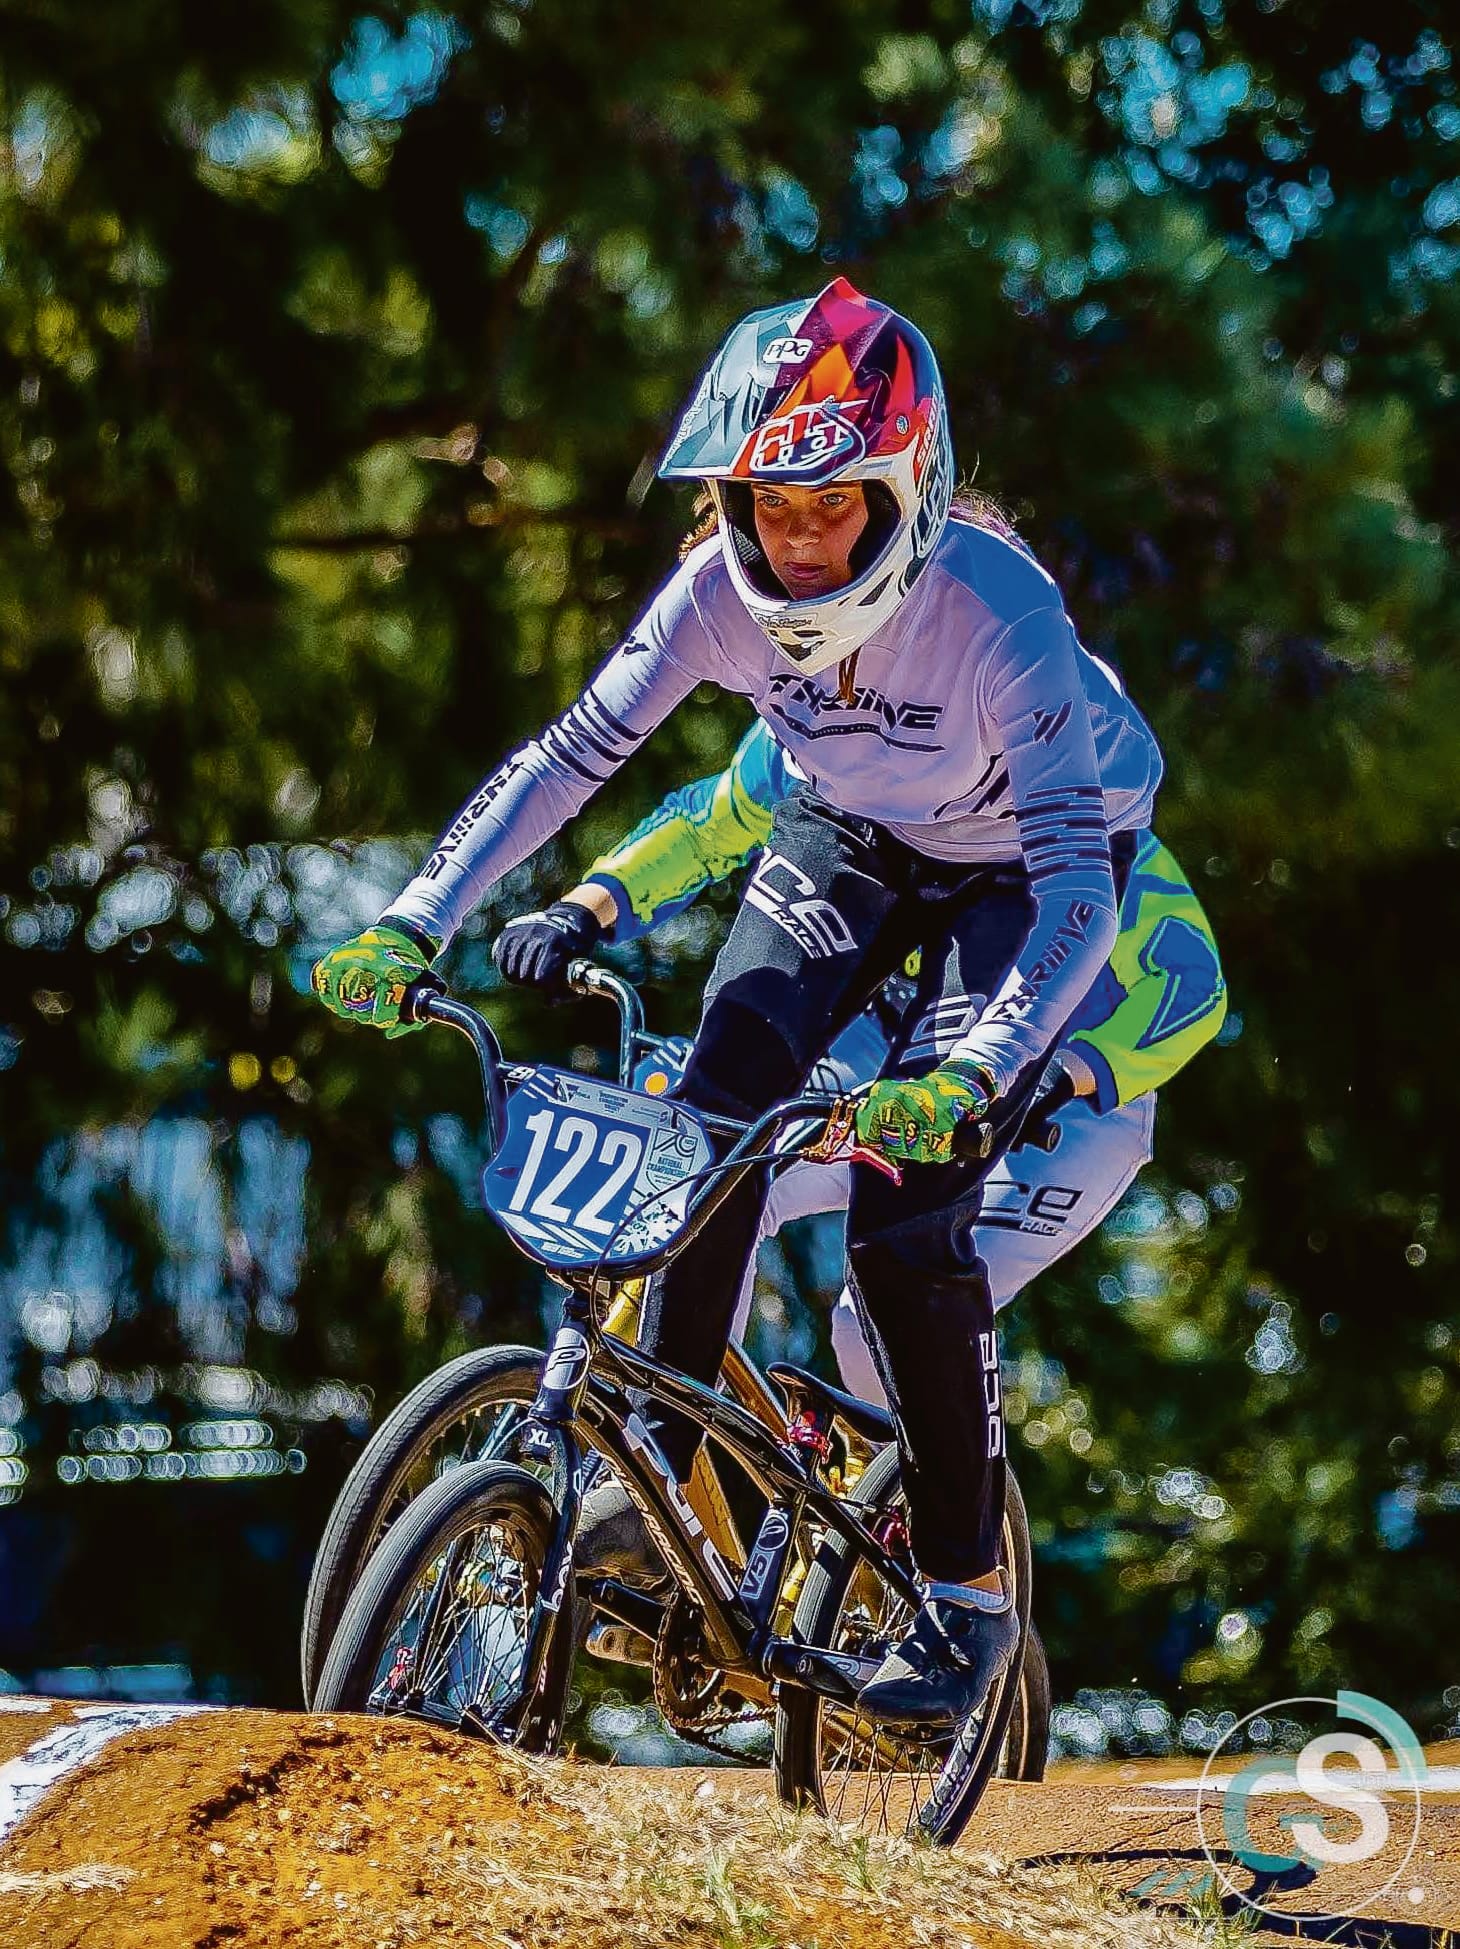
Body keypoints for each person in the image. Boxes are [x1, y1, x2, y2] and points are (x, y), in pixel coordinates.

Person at [315, 279, 1166, 1727]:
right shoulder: (714, 587)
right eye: (769, 504)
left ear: (911, 488)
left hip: (1026, 864)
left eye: (835, 506)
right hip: (846, 834)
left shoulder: (994, 605)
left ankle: (963, 1593)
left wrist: (971, 1076)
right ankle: (658, 1473)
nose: (799, 538)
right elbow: (574, 752)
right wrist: (415, 917)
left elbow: (1083, 880)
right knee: (704, 1128)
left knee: (907, 1219)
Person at [493, 714, 1226, 1403]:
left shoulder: (1073, 800)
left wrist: (1074, 1073)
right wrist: (581, 908)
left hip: (1059, 1101)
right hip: (890, 1043)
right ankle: (659, 1452)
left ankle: (909, 1517)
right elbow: (708, 821)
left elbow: (1193, 985)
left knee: (871, 1322)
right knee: (708, 1186)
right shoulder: (811, 731)